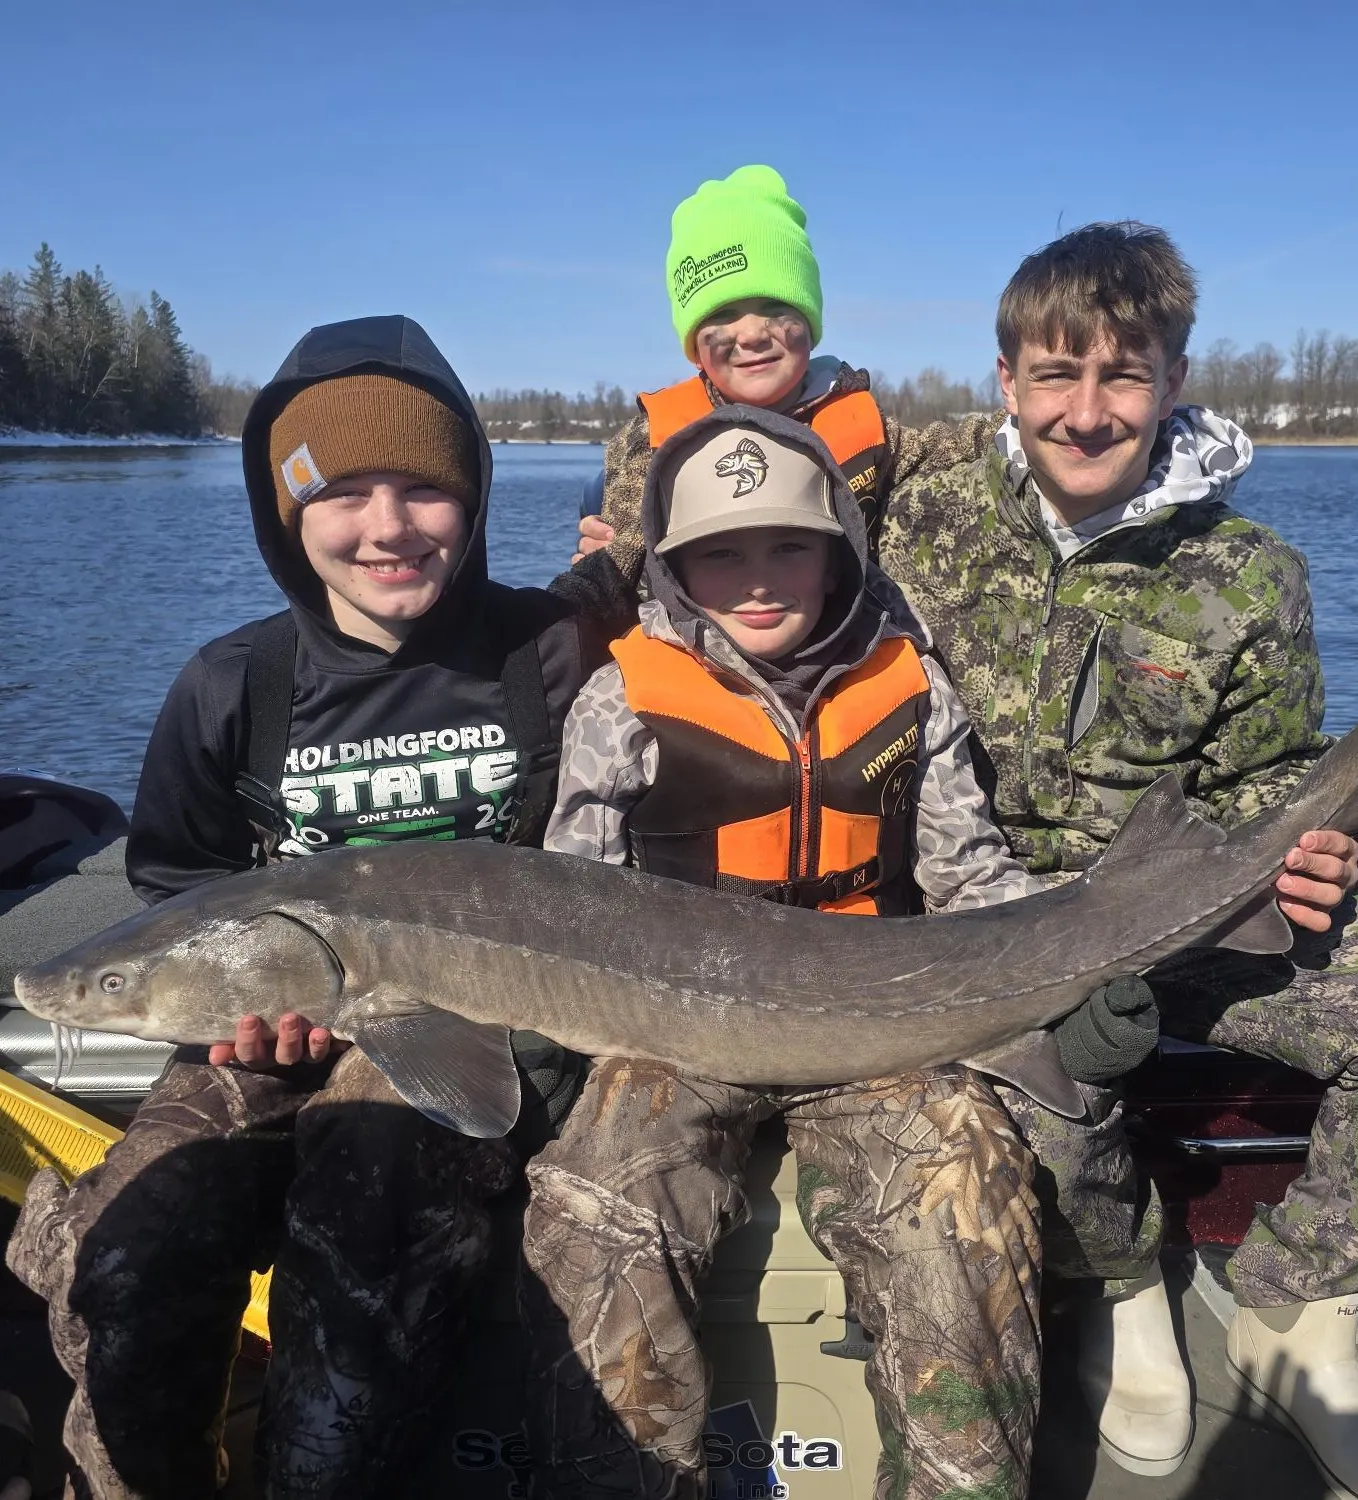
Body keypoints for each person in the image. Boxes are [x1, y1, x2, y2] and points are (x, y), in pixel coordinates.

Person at [876, 222, 1358, 1499]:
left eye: (1123, 374)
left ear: (1172, 378)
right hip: (978, 908)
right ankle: (1126, 1289)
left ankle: (1294, 1318)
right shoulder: (920, 519)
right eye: (1056, 375)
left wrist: (1308, 846)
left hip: (1189, 903)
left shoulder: (1251, 572)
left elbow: (1268, 770)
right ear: (1006, 382)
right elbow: (748, 506)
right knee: (1046, 1048)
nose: (1086, 410)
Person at [6, 315, 601, 1500]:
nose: (388, 526)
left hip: (465, 1025)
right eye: (345, 493)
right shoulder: (234, 684)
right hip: (268, 1030)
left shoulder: (547, 652)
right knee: (125, 1253)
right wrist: (222, 1023)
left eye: (424, 488)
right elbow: (178, 889)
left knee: (361, 1269)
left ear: (473, 498)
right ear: (288, 513)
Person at [521, 403, 1162, 1500]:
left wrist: (1069, 979)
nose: (760, 578)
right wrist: (537, 1036)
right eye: (721, 554)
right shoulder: (621, 696)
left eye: (790, 546)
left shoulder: (910, 681)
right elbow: (567, 899)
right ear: (675, 569)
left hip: (881, 1011)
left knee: (970, 1171)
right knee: (596, 1203)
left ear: (838, 553)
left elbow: (974, 880)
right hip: (673, 1029)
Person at [576, 163, 997, 577]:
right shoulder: (651, 442)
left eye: (776, 309)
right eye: (723, 314)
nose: (753, 333)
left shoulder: (865, 425)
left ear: (811, 327)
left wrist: (1031, 407)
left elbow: (958, 447)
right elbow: (614, 569)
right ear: (694, 345)